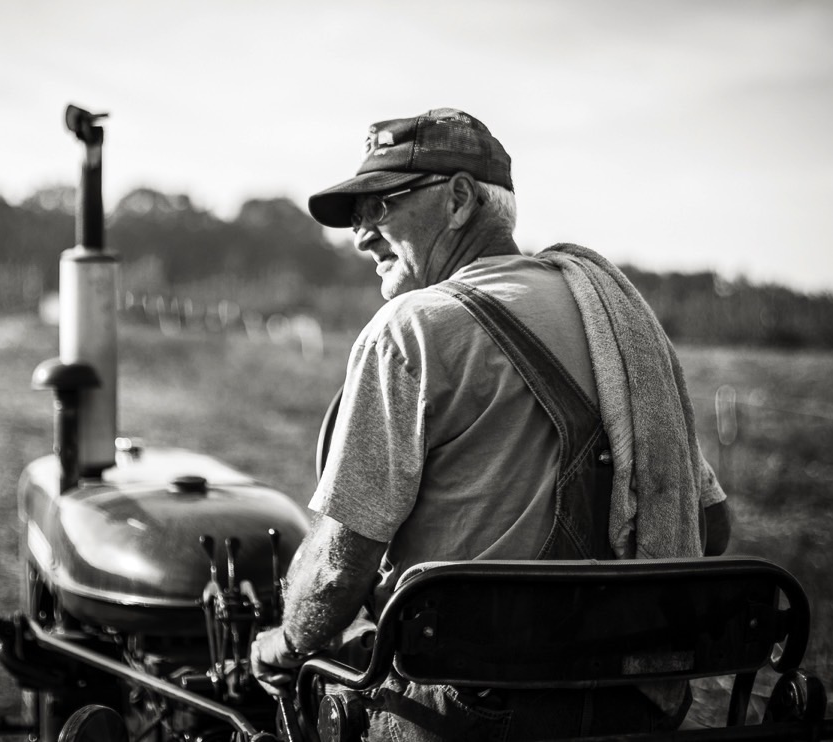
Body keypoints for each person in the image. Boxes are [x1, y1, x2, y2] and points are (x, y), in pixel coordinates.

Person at [250, 108, 731, 740]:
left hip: (467, 712)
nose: (362, 236)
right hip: (629, 709)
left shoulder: (410, 329)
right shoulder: (617, 325)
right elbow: (708, 527)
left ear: (457, 199)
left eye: (381, 206)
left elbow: (341, 564)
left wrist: (285, 641)